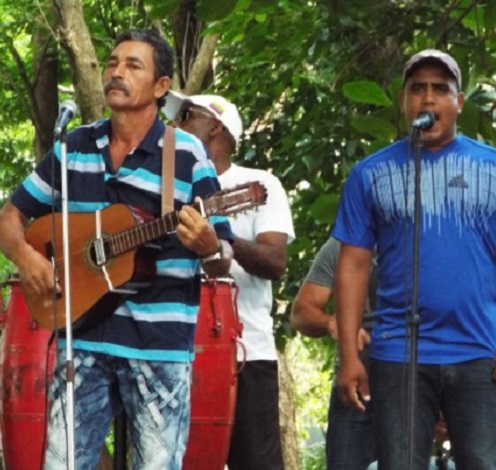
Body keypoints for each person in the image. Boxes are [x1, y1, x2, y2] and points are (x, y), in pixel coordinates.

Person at [0, 29, 234, 469]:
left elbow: (224, 254)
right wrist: (28, 258)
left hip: (158, 346)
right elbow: (9, 218)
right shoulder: (73, 147)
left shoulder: (186, 155)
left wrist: (207, 246)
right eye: (112, 63)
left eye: (132, 65)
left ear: (161, 87)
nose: (116, 72)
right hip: (81, 336)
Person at [332, 48, 496, 469]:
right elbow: (353, 266)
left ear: (458, 102)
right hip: (397, 355)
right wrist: (350, 357)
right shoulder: (370, 174)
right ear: (403, 101)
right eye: (418, 89)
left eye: (440, 89)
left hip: (478, 352)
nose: (428, 99)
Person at [165, 92, 295, 470]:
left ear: (215, 127)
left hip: (245, 352)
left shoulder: (257, 182)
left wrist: (219, 240)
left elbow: (274, 261)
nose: (173, 127)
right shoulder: (161, 188)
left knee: (255, 462)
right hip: (169, 348)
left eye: (185, 116)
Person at [290, 237, 377, 469]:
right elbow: (301, 312)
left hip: (419, 374)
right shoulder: (343, 243)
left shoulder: (430, 236)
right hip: (358, 380)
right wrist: (333, 323)